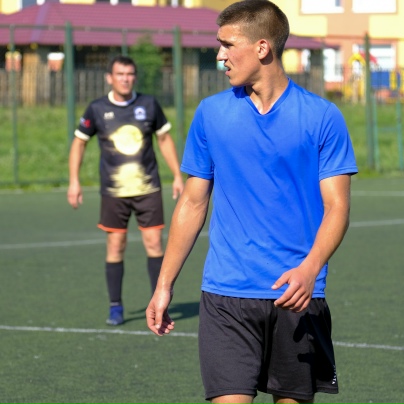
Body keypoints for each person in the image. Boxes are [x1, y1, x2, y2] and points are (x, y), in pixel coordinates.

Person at [145, 1, 358, 403]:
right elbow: (192, 203)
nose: (219, 55)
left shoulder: (322, 117)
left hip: (297, 295)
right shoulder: (210, 114)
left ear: (262, 48)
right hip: (225, 294)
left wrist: (310, 269)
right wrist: (164, 285)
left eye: (228, 44)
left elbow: (338, 208)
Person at [67, 55, 184, 326]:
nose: (125, 79)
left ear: (135, 77)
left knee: (154, 243)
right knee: (115, 245)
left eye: (130, 74)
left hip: (148, 188)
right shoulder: (97, 108)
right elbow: (79, 143)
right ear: (109, 78)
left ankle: (159, 304)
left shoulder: (149, 104)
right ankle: (115, 306)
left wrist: (178, 175)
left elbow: (164, 139)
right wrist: (74, 180)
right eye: (120, 74)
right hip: (114, 192)